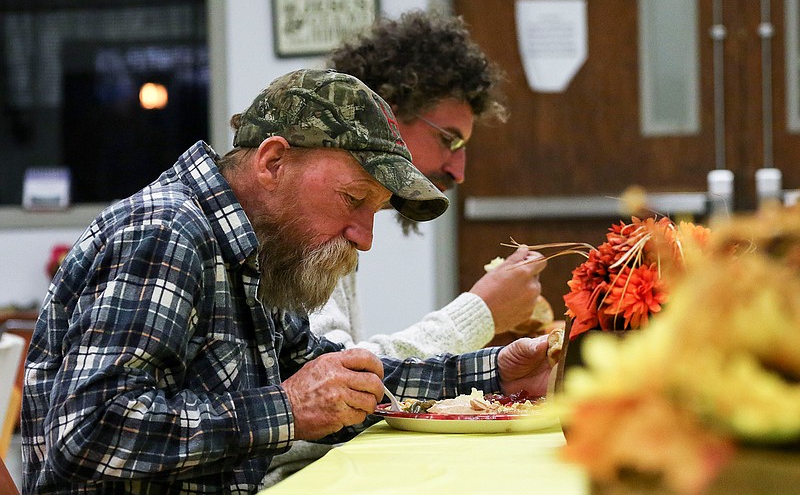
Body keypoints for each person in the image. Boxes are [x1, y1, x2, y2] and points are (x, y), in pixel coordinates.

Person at [21, 68, 556, 494]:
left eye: (378, 210)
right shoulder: (169, 233)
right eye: (353, 199)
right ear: (274, 161)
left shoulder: (262, 250)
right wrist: (288, 409)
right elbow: (87, 434)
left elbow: (343, 381)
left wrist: (492, 376)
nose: (365, 237)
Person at [263, 9, 552, 486]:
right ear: (388, 114)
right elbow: (328, 387)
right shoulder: (292, 225)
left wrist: (494, 370)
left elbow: (332, 376)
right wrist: (478, 314)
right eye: (449, 139)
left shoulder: (335, 221)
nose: (457, 170)